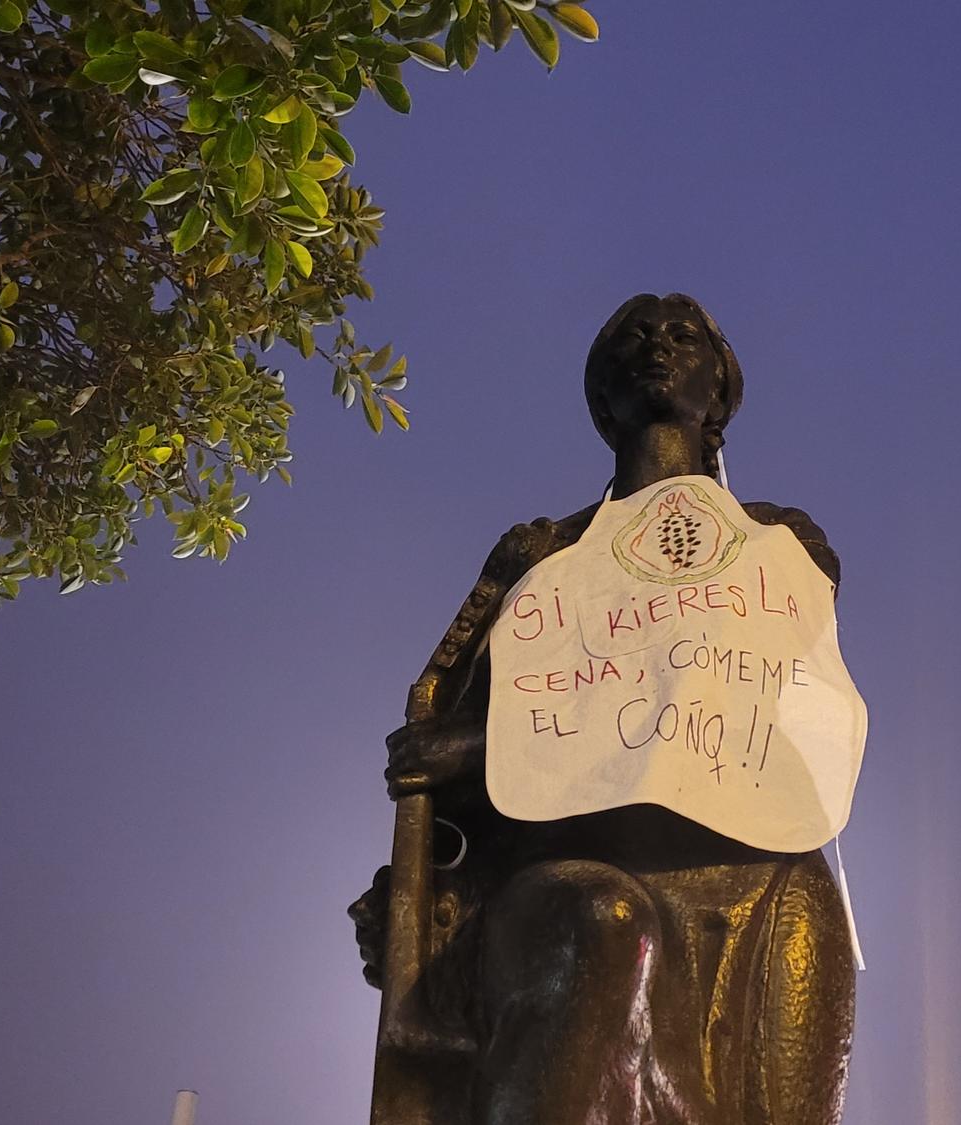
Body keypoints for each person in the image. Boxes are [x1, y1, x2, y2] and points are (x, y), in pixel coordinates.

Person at [352, 294, 856, 1125]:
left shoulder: (780, 544)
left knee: (808, 918)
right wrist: (449, 795)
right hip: (562, 872)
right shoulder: (539, 557)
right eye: (633, 340)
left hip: (751, 873)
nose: (658, 347)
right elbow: (447, 742)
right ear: (601, 398)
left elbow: (754, 690)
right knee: (604, 923)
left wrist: (480, 746)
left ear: (720, 389)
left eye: (683, 336)